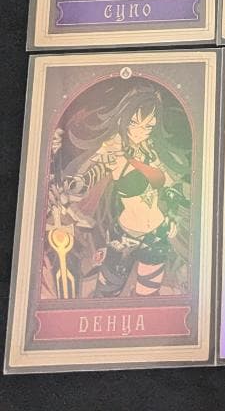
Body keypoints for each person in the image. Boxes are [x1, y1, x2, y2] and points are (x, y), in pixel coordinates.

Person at [47, 81, 190, 299]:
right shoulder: (114, 150)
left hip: (158, 235)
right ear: (123, 118)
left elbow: (169, 187)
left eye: (148, 126)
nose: (141, 132)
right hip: (125, 238)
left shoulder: (152, 149)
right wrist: (76, 175)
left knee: (147, 299)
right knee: (106, 296)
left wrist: (171, 217)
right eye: (135, 124)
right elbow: (84, 178)